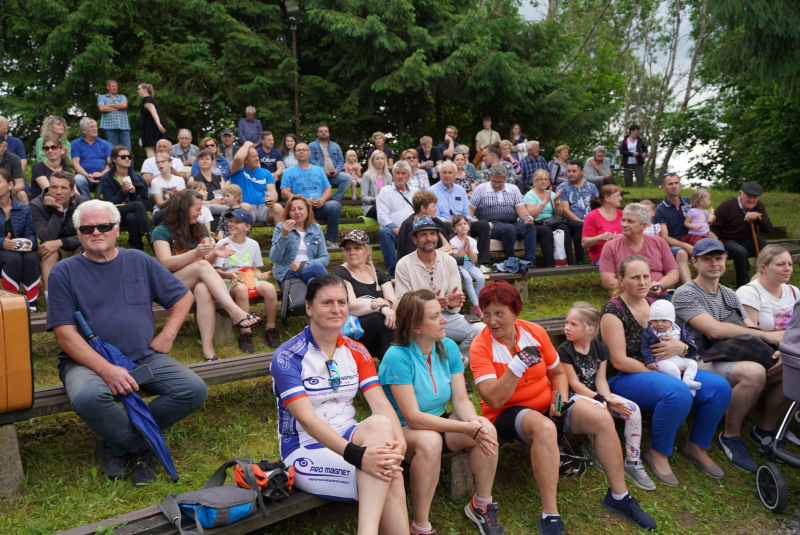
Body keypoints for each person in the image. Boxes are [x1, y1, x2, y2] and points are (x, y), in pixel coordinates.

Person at [470, 282, 657, 533]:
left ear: (516, 312)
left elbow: (557, 372)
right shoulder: (480, 346)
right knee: (545, 429)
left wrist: (558, 401)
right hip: (506, 411)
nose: (491, 320)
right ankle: (550, 516)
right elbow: (493, 400)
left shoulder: (534, 331)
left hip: (547, 402)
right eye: (486, 313)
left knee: (602, 418)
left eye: (499, 313)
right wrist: (517, 366)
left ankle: (620, 497)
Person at [47, 199, 206, 486]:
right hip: (87, 362)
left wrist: (168, 334)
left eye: (104, 226)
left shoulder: (139, 260)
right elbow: (64, 334)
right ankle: (140, 448)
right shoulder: (63, 271)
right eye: (88, 228)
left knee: (192, 390)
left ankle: (117, 443)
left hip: (142, 357)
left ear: (117, 229)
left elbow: (183, 296)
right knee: (88, 397)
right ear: (79, 233)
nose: (96, 232)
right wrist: (107, 370)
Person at [269, 275, 409, 534]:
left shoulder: (357, 350)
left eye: (342, 302)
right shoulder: (288, 356)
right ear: (309, 308)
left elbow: (379, 403)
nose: (337, 309)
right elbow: (309, 423)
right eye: (327, 302)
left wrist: (400, 440)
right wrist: (360, 456)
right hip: (304, 447)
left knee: (380, 426)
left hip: (347, 431)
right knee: (387, 472)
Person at [379, 290, 504, 535]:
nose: (444, 319)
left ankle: (481, 503)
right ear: (416, 327)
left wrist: (473, 422)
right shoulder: (397, 356)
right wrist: (465, 428)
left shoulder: (447, 346)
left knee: (486, 428)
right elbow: (413, 418)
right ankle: (420, 526)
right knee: (430, 441)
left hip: (438, 422)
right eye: (436, 316)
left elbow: (460, 398)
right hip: (401, 428)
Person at [600, 255, 731, 487]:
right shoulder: (613, 310)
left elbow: (682, 336)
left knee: (719, 387)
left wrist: (681, 347)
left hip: (669, 367)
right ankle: (658, 452)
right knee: (677, 390)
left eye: (646, 277)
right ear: (621, 280)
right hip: (626, 376)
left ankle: (696, 445)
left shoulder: (657, 305)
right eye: (635, 277)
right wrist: (662, 373)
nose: (642, 282)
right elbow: (619, 360)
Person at [673, 238, 789, 473]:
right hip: (698, 360)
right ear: (694, 262)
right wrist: (769, 336)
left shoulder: (729, 294)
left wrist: (780, 350)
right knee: (753, 372)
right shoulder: (685, 294)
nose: (714, 263)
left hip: (731, 354)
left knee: (792, 368)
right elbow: (714, 329)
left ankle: (764, 431)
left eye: (718, 258)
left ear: (726, 259)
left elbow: (750, 332)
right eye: (707, 259)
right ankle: (730, 436)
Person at [152, 189, 260, 362]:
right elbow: (166, 263)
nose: (201, 213)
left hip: (194, 282)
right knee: (200, 264)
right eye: (197, 209)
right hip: (169, 285)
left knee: (203, 288)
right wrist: (195, 253)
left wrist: (217, 253)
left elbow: (206, 263)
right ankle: (234, 312)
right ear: (183, 209)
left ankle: (208, 349)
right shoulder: (161, 231)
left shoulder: (200, 228)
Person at [559, 302, 655, 491]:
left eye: (573, 324)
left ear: (590, 329)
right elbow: (574, 384)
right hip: (574, 396)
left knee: (632, 410)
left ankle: (632, 461)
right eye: (566, 323)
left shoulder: (601, 349)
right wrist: (601, 400)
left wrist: (608, 399)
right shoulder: (564, 350)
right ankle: (597, 449)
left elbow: (601, 379)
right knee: (599, 409)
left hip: (597, 393)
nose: (567, 328)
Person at [394, 216, 486, 365]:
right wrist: (430, 304)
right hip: (418, 321)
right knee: (432, 332)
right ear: (414, 239)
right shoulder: (404, 264)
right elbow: (403, 302)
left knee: (480, 329)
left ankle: (458, 363)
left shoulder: (449, 261)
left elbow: (453, 299)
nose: (429, 238)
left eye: (432, 233)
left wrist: (451, 303)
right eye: (423, 234)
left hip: (446, 317)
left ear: (437, 237)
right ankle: (447, 366)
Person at [212, 208, 281, 351]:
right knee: (242, 289)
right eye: (230, 221)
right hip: (229, 279)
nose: (231, 224)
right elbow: (216, 271)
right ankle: (245, 332)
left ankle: (270, 328)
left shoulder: (253, 244)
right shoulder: (222, 244)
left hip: (249, 278)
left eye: (237, 222)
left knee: (269, 288)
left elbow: (254, 268)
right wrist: (229, 275)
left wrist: (259, 275)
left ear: (247, 227)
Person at [331, 229, 397, 361]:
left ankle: (394, 363)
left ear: (368, 251)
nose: (352, 252)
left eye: (357, 248)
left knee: (392, 320)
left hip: (375, 327)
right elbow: (351, 305)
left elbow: (393, 301)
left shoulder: (377, 273)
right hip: (351, 329)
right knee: (379, 319)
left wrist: (387, 304)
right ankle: (390, 365)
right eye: (348, 249)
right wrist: (381, 308)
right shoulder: (339, 272)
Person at [599, 203, 679, 300]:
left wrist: (659, 285)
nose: (624, 224)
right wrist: (640, 289)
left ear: (644, 226)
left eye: (630, 221)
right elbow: (607, 280)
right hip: (626, 297)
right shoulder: (610, 246)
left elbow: (673, 273)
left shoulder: (659, 242)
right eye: (623, 220)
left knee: (676, 308)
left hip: (658, 296)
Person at [30, 170, 88, 299]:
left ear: (72, 191)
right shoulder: (37, 204)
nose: (58, 192)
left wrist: (60, 242)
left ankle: (89, 297)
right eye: (54, 187)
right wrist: (58, 212)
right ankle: (51, 299)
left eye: (64, 188)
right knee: (48, 252)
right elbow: (45, 237)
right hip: (53, 247)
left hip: (78, 243)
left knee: (92, 247)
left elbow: (88, 235)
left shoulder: (82, 203)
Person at [469, 163, 537, 266]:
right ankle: (510, 262)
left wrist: (527, 218)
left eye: (500, 182)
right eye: (494, 181)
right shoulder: (481, 189)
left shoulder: (513, 189)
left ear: (505, 179)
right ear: (490, 176)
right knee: (509, 229)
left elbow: (521, 209)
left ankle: (530, 262)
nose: (496, 185)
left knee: (530, 227)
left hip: (512, 223)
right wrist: (473, 221)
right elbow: (470, 209)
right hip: (491, 225)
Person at [430, 160, 491, 271]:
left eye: (450, 172)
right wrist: (452, 222)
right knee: (447, 226)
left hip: (462, 224)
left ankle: (482, 263)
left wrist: (467, 222)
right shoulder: (432, 191)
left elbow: (467, 212)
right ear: (440, 174)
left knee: (483, 224)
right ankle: (455, 263)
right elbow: (435, 216)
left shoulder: (461, 190)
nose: (447, 175)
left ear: (454, 174)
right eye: (444, 172)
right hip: (446, 226)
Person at [709, 181, 773, 288]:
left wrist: (758, 215)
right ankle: (744, 284)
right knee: (741, 252)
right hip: (728, 239)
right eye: (748, 197)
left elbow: (767, 229)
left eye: (755, 198)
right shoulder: (726, 206)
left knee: (769, 250)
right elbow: (714, 227)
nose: (752, 200)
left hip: (750, 239)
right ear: (740, 194)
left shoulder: (759, 206)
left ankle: (770, 279)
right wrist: (713, 236)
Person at [281, 143, 342, 246]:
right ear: (295, 154)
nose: (301, 152)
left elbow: (328, 190)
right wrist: (303, 201)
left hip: (318, 207)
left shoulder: (319, 170)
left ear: (309, 153)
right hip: (299, 209)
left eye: (304, 150)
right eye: (298, 150)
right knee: (299, 209)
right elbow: (284, 193)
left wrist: (322, 199)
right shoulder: (288, 172)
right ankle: (299, 241)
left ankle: (331, 241)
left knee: (335, 206)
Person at [640, 300, 701, 395]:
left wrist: (690, 342)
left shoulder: (678, 328)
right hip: (661, 361)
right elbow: (645, 347)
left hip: (678, 357)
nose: (659, 324)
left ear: (671, 320)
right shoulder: (649, 332)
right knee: (673, 370)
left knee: (693, 363)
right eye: (655, 320)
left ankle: (688, 380)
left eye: (664, 320)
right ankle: (680, 389)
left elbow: (688, 336)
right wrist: (649, 360)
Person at [0, 169, 40, 309]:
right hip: (3, 253)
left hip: (18, 249)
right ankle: (10, 303)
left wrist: (29, 243)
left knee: (30, 257)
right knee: (12, 258)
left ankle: (31, 304)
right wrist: (2, 243)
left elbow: (30, 233)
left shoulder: (24, 209)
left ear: (10, 185)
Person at [99, 145, 152, 251]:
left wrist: (132, 194)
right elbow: (110, 203)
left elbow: (146, 204)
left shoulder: (138, 179)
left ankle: (137, 247)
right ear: (114, 159)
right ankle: (150, 234)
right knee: (137, 205)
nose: (127, 159)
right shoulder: (107, 178)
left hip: (133, 214)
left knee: (131, 217)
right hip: (114, 212)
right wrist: (122, 192)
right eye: (123, 156)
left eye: (129, 156)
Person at [736, 245, 799, 332]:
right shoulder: (748, 293)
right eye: (781, 264)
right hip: (765, 345)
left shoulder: (794, 291)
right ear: (763, 268)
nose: (787, 269)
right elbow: (750, 334)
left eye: (790, 264)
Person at [269, 195, 329, 285]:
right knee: (317, 268)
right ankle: (334, 293)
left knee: (312, 282)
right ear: (288, 212)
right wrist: (283, 235)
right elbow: (274, 258)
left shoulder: (316, 229)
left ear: (308, 210)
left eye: (300, 208)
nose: (297, 212)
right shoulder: (281, 227)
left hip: (309, 271)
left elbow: (325, 258)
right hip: (287, 273)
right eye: (293, 210)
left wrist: (305, 264)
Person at [523, 169, 576, 267]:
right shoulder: (529, 195)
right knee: (546, 231)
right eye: (540, 179)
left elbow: (559, 214)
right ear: (534, 181)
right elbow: (531, 215)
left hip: (551, 222)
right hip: (537, 223)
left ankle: (569, 262)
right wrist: (544, 201)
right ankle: (550, 264)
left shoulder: (550, 193)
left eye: (546, 179)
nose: (543, 182)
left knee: (564, 228)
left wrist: (556, 201)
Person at [653, 173, 697, 285]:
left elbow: (701, 221)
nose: (674, 186)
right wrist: (686, 246)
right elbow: (664, 237)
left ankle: (711, 286)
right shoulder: (660, 210)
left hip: (693, 238)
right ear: (664, 188)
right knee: (682, 252)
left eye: (676, 183)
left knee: (711, 245)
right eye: (670, 184)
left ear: (680, 185)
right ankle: (690, 289)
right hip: (674, 245)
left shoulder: (690, 203)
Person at [376, 161, 417, 276]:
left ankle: (418, 270)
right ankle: (395, 272)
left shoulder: (416, 192)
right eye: (397, 173)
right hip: (394, 233)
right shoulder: (385, 191)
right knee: (384, 232)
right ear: (392, 175)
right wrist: (398, 230)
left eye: (403, 173)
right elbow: (382, 217)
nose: (400, 176)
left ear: (409, 176)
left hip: (413, 232)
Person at [229, 141, 282, 226]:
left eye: (257, 156)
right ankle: (243, 239)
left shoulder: (266, 173)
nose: (257, 158)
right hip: (247, 208)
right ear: (245, 160)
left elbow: (273, 192)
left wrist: (273, 199)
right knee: (244, 206)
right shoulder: (237, 170)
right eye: (253, 157)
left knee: (278, 207)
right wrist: (247, 144)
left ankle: (281, 238)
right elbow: (238, 158)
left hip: (264, 208)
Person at [556, 161, 596, 265]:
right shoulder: (562, 187)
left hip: (590, 219)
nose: (570, 174)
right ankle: (581, 260)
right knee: (579, 226)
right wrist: (583, 222)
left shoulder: (591, 187)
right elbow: (565, 211)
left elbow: (598, 206)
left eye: (574, 171)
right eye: (569, 171)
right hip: (571, 222)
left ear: (581, 172)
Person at [396, 191, 451, 263]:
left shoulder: (436, 221)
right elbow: (411, 254)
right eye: (433, 206)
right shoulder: (408, 225)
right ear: (423, 208)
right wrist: (438, 251)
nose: (436, 209)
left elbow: (448, 247)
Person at [449, 215, 484, 318]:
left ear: (469, 227)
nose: (463, 226)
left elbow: (474, 260)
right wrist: (463, 247)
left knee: (481, 278)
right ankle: (476, 304)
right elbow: (457, 258)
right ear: (455, 229)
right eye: (459, 225)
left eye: (465, 224)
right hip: (460, 265)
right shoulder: (453, 241)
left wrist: (469, 247)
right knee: (467, 278)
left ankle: (477, 304)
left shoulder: (472, 241)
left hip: (470, 264)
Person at [308, 124, 353, 201]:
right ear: (317, 134)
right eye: (321, 131)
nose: (323, 132)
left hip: (333, 175)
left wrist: (337, 170)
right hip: (318, 175)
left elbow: (341, 160)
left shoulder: (335, 146)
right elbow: (311, 161)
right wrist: (324, 171)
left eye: (325, 131)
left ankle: (334, 200)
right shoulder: (311, 146)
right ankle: (319, 200)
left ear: (328, 133)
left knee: (348, 178)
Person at [581, 184, 622, 265]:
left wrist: (624, 237)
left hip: (622, 252)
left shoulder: (622, 214)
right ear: (607, 198)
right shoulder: (592, 216)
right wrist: (600, 237)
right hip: (602, 254)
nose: (620, 198)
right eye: (617, 195)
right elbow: (584, 243)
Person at [71, 118, 112, 199]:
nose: (95, 129)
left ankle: (107, 202)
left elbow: (111, 163)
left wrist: (102, 173)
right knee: (78, 180)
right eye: (91, 127)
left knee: (111, 177)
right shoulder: (76, 143)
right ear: (84, 131)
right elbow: (75, 164)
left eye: (95, 126)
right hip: (84, 175)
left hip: (103, 175)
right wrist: (87, 175)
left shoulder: (105, 143)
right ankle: (87, 202)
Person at [149, 152, 186, 226]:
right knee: (177, 211)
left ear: (170, 163)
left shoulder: (180, 180)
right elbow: (160, 205)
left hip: (177, 210)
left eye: (162, 161)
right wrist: (171, 199)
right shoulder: (155, 181)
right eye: (158, 162)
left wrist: (176, 197)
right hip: (160, 213)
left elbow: (183, 200)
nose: (160, 164)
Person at [30, 136, 71, 200]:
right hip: (41, 205)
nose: (50, 150)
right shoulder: (37, 167)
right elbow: (49, 190)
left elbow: (74, 192)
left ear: (62, 150)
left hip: (62, 203)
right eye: (46, 148)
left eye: (54, 147)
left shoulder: (67, 171)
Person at [190, 149, 228, 217]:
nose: (204, 161)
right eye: (202, 159)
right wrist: (210, 202)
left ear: (213, 161)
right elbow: (190, 200)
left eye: (207, 159)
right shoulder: (193, 179)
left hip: (219, 210)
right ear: (198, 162)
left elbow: (225, 197)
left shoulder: (220, 179)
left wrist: (221, 201)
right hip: (200, 211)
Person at [96, 80, 131, 151]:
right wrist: (118, 107)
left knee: (127, 150)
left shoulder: (122, 97)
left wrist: (109, 105)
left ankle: (128, 162)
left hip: (123, 126)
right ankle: (114, 162)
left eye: (116, 86)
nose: (115, 88)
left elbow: (124, 105)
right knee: (113, 150)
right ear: (107, 87)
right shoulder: (102, 97)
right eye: (113, 86)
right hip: (109, 127)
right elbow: (102, 108)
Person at [137, 83, 170, 158]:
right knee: (157, 148)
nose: (137, 91)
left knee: (149, 147)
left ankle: (152, 168)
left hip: (152, 128)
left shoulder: (147, 99)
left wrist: (158, 124)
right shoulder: (150, 99)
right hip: (155, 127)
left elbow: (153, 112)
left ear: (145, 90)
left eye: (139, 89)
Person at [361, 150, 392, 219]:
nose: (380, 161)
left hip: (386, 205)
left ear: (385, 161)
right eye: (377, 159)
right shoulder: (367, 175)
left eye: (382, 158)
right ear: (372, 161)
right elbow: (363, 197)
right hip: (371, 207)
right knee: (384, 211)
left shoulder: (389, 176)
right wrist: (376, 199)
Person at [0, 134, 27, 204]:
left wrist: (5, 191)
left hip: (10, 190)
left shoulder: (14, 158)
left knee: (22, 194)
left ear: (5, 147)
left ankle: (27, 214)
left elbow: (20, 184)